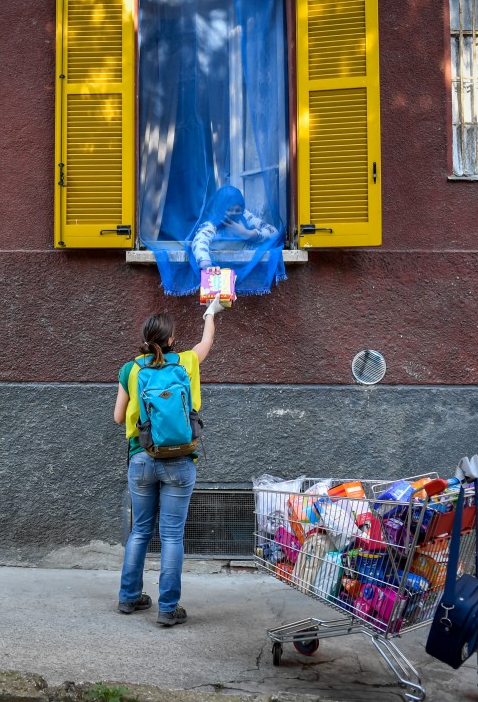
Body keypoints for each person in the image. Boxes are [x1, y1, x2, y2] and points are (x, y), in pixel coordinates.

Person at [113, 300, 224, 626]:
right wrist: (210, 314)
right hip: (180, 460)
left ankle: (129, 598)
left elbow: (118, 418)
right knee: (172, 536)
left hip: (142, 458)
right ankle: (167, 608)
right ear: (172, 340)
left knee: (140, 530)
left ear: (146, 339)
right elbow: (206, 343)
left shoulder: (131, 369)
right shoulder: (186, 362)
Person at [190, 185, 278, 270]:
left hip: (247, 268)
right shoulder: (213, 223)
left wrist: (246, 233)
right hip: (219, 270)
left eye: (237, 210)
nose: (234, 213)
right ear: (220, 209)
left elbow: (274, 232)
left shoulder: (244, 216)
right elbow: (199, 242)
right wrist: (207, 266)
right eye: (229, 210)